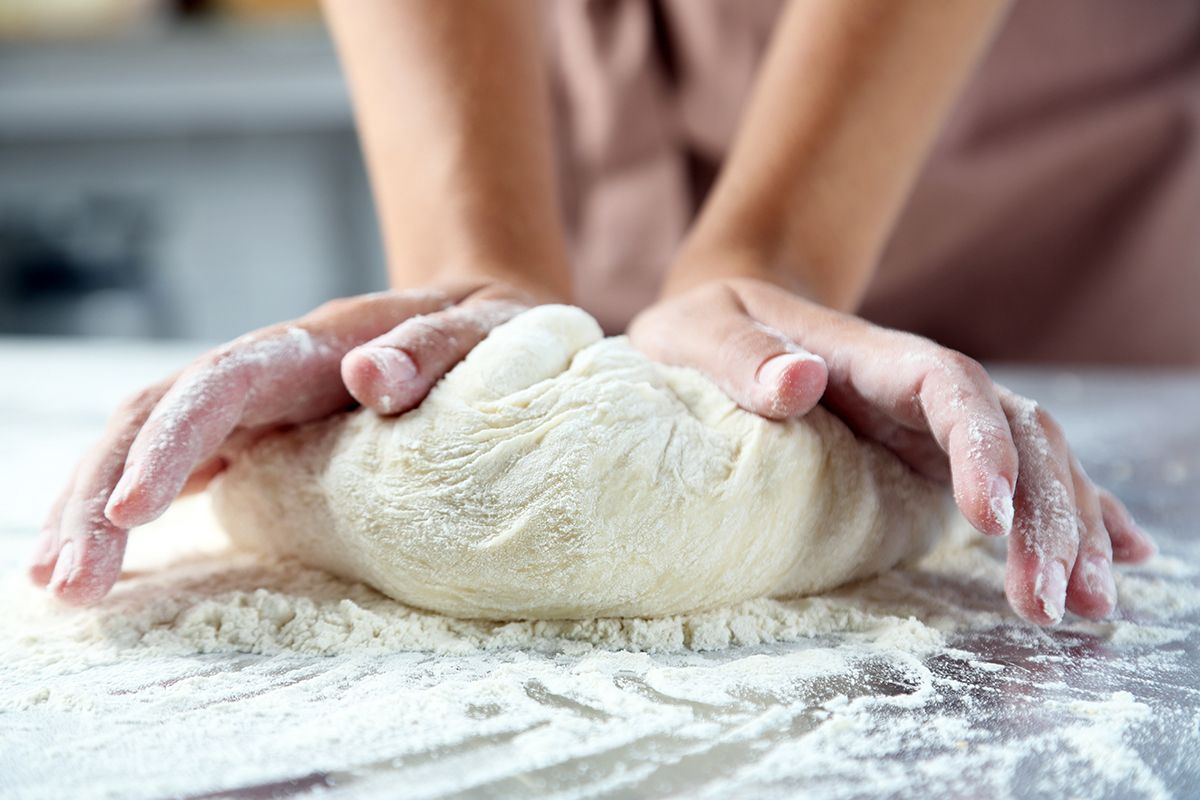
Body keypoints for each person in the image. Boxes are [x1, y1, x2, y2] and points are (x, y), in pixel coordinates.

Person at [36, 0, 1192, 625]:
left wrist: (775, 248)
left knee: (973, 466)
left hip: (1017, 154)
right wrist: (472, 251)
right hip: (554, 87)